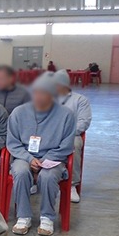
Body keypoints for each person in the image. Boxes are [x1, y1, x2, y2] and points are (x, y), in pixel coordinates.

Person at [7, 72, 76, 236]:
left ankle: (47, 217)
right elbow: (13, 143)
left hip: (53, 158)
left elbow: (66, 146)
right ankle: (23, 216)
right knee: (21, 172)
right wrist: (30, 159)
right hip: (24, 155)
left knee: (48, 176)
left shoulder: (66, 115)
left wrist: (45, 160)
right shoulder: (18, 113)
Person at [53, 69, 91, 203]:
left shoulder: (80, 100)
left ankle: (72, 185)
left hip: (70, 135)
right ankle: (34, 180)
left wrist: (64, 133)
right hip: (49, 134)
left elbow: (83, 122)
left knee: (75, 144)